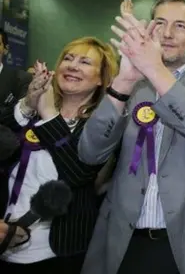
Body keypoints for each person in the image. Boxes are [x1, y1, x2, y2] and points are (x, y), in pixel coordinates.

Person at [78, 0, 185, 274]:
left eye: (180, 26)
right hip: (125, 240)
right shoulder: (131, 83)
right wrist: (123, 81)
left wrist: (154, 69)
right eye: (160, 23)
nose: (168, 33)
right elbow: (90, 152)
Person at [0, 37, 118, 273]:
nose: (72, 65)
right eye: (68, 58)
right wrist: (28, 104)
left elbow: (78, 172)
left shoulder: (101, 125)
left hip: (56, 252)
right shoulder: (35, 108)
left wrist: (49, 116)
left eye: (85, 62)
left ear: (100, 80)